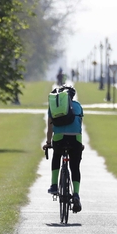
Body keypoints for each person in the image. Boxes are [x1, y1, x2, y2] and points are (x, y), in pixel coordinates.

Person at [43, 85, 84, 213]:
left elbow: (50, 129)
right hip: (75, 139)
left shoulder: (54, 106)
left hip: (59, 139)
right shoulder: (78, 106)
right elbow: (79, 126)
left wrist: (49, 143)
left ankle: (54, 185)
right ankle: (76, 194)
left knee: (56, 157)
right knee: (75, 167)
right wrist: (80, 144)